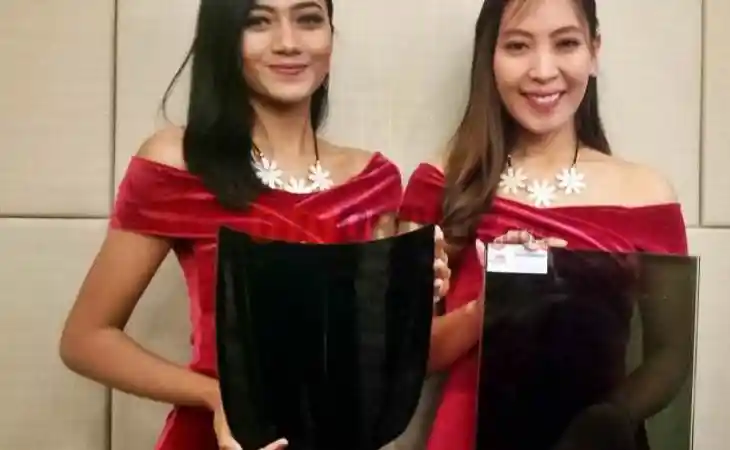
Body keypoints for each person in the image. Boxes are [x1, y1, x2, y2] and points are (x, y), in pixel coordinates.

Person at [58, 1, 449, 450]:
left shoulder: (374, 180)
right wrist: (214, 397)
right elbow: (85, 339)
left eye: (308, 19)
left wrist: (415, 298)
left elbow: (375, 354)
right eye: (258, 21)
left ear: (330, 33)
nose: (288, 42)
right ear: (224, 36)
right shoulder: (179, 162)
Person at [398, 0, 691, 449]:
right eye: (518, 46)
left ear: (594, 51)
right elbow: (406, 355)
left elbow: (670, 356)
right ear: (490, 56)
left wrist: (608, 417)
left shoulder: (646, 195)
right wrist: (488, 307)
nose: (542, 70)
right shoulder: (440, 183)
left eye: (566, 44)